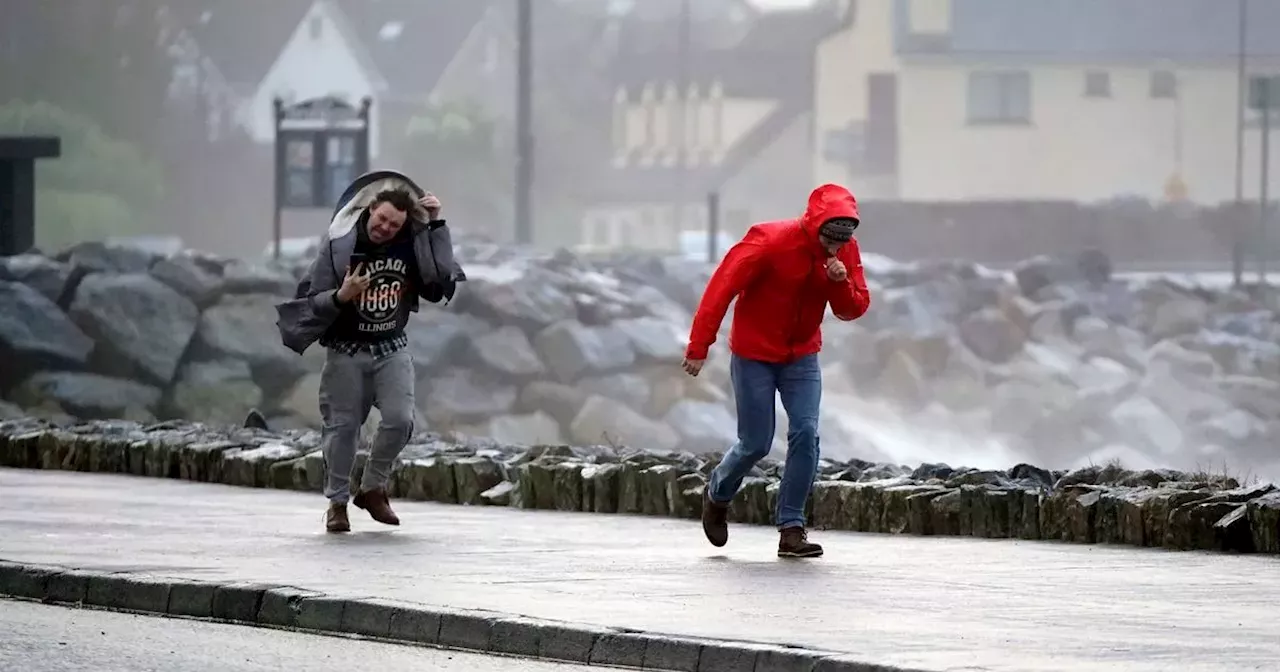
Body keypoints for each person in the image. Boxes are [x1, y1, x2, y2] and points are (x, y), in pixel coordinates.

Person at [682, 183, 871, 558]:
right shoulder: (769, 241)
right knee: (756, 442)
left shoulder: (845, 251)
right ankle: (717, 494)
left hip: (802, 356)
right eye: (829, 239)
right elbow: (721, 288)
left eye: (842, 240)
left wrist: (840, 282)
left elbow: (853, 309)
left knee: (806, 432)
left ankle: (791, 529)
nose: (835, 247)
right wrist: (699, 346)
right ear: (816, 225)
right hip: (754, 355)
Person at [275, 175, 465, 533]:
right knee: (342, 429)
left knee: (400, 419)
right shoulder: (338, 244)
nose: (385, 228)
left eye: (394, 224)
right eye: (382, 219)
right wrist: (341, 296)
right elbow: (311, 300)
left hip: (391, 347)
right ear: (371, 209)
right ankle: (337, 504)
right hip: (346, 351)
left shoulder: (410, 243)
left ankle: (373, 487)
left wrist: (437, 223)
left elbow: (440, 280)